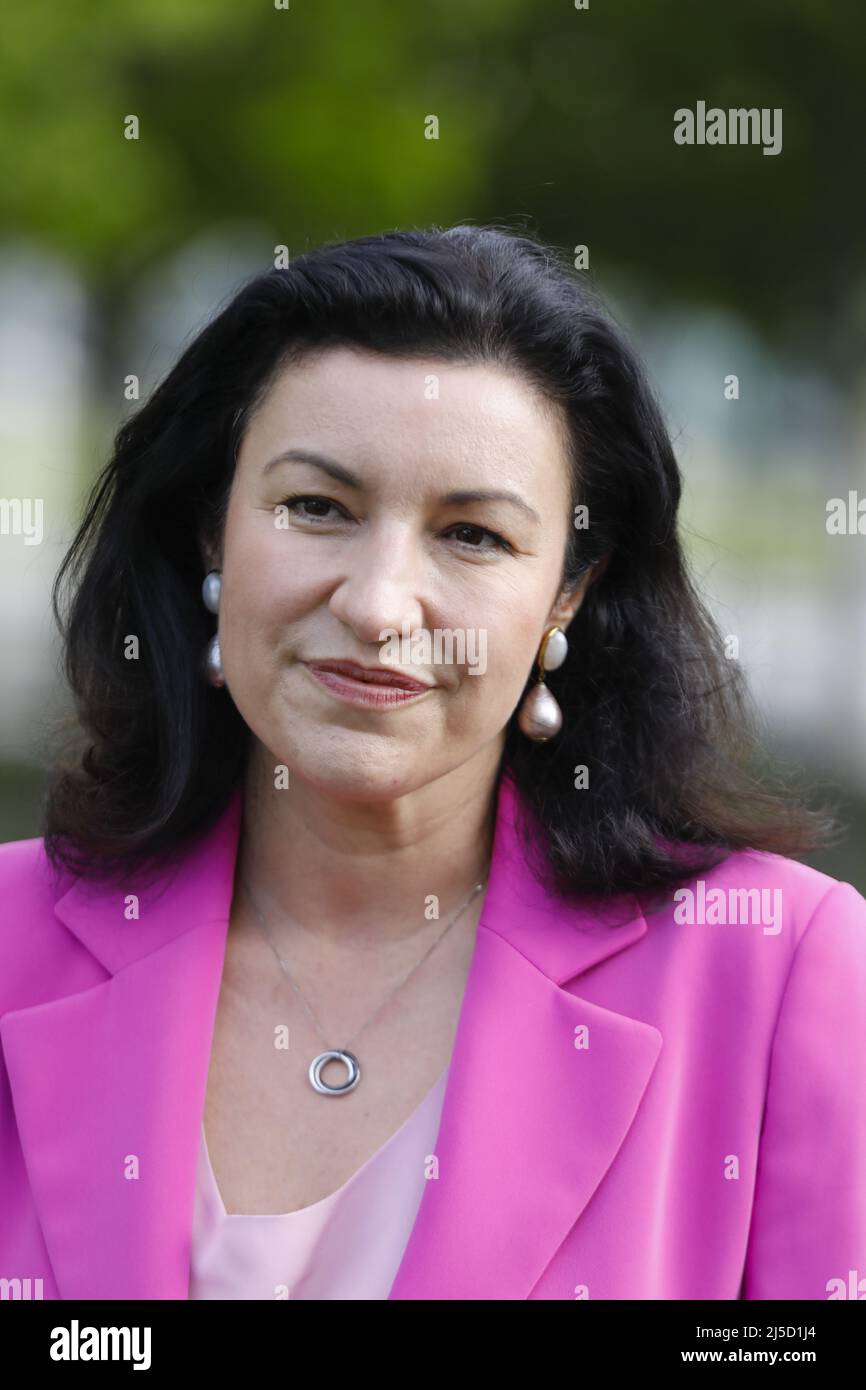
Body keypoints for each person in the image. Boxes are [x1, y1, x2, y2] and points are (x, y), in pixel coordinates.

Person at [0, 224, 863, 1301]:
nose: (375, 605)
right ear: (213, 534)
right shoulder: (10, 938)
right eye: (315, 508)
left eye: (472, 536)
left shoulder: (777, 972)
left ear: (568, 591)